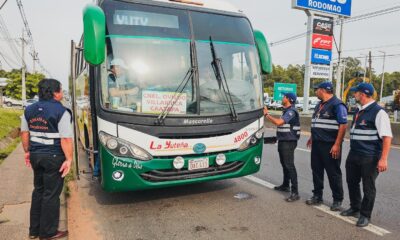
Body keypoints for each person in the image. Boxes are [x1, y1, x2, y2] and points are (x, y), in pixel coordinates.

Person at [20, 79, 73, 240]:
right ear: (55, 93)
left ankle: (34, 231)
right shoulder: (61, 111)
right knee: (51, 194)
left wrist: (27, 151)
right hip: (54, 157)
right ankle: (48, 232)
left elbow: (24, 134)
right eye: (61, 90)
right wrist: (69, 159)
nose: (62, 94)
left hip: (36, 156)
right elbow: (65, 139)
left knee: (39, 191)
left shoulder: (28, 110)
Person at [340, 83, 392, 227]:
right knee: (352, 182)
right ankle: (355, 207)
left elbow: (387, 137)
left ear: (362, 94)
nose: (354, 95)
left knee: (368, 187)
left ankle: (365, 215)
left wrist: (383, 159)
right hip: (354, 153)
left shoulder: (379, 112)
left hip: (370, 156)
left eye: (355, 92)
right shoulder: (359, 110)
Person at [306, 81, 348, 211]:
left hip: (330, 145)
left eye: (316, 89)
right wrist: (312, 137)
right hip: (317, 144)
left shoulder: (337, 105)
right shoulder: (319, 104)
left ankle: (337, 199)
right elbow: (317, 122)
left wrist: (337, 144)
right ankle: (317, 195)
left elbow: (343, 125)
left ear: (323, 90)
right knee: (316, 170)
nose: (315, 92)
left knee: (333, 172)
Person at [264, 92, 301, 202]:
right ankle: (285, 185)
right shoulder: (286, 111)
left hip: (289, 142)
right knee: (285, 164)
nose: (282, 98)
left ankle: (295, 192)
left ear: (288, 99)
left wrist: (266, 114)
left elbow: (279, 122)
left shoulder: (291, 111)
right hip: (283, 141)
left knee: (289, 166)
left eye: (284, 96)